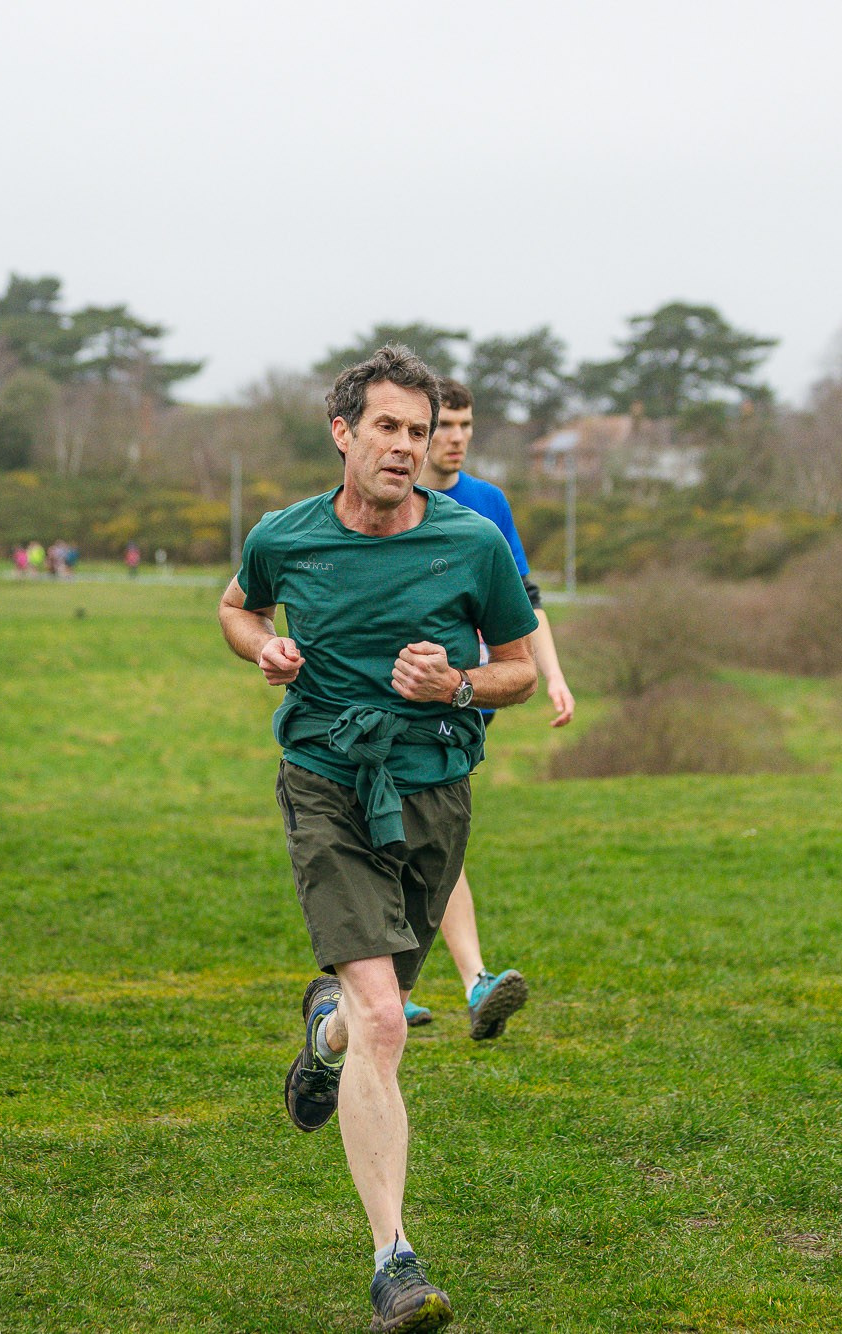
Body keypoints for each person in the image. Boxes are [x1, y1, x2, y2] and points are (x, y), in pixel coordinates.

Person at [218, 346, 539, 1331]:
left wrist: (456, 684)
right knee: (388, 1021)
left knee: (369, 1014)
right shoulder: (285, 535)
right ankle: (392, 1260)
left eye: (419, 430)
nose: (405, 446)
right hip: (326, 780)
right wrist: (264, 646)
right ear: (343, 431)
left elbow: (519, 669)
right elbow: (236, 605)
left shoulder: (471, 541)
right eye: (387, 427)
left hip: (434, 788)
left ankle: (324, 1037)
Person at [404, 377, 577, 1037]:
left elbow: (524, 603)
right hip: (396, 690)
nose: (456, 439)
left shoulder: (488, 503)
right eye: (444, 425)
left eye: (465, 426)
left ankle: (444, 983)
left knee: (430, 832)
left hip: (469, 694)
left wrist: (553, 676)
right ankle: (407, 983)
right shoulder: (390, 499)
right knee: (411, 832)